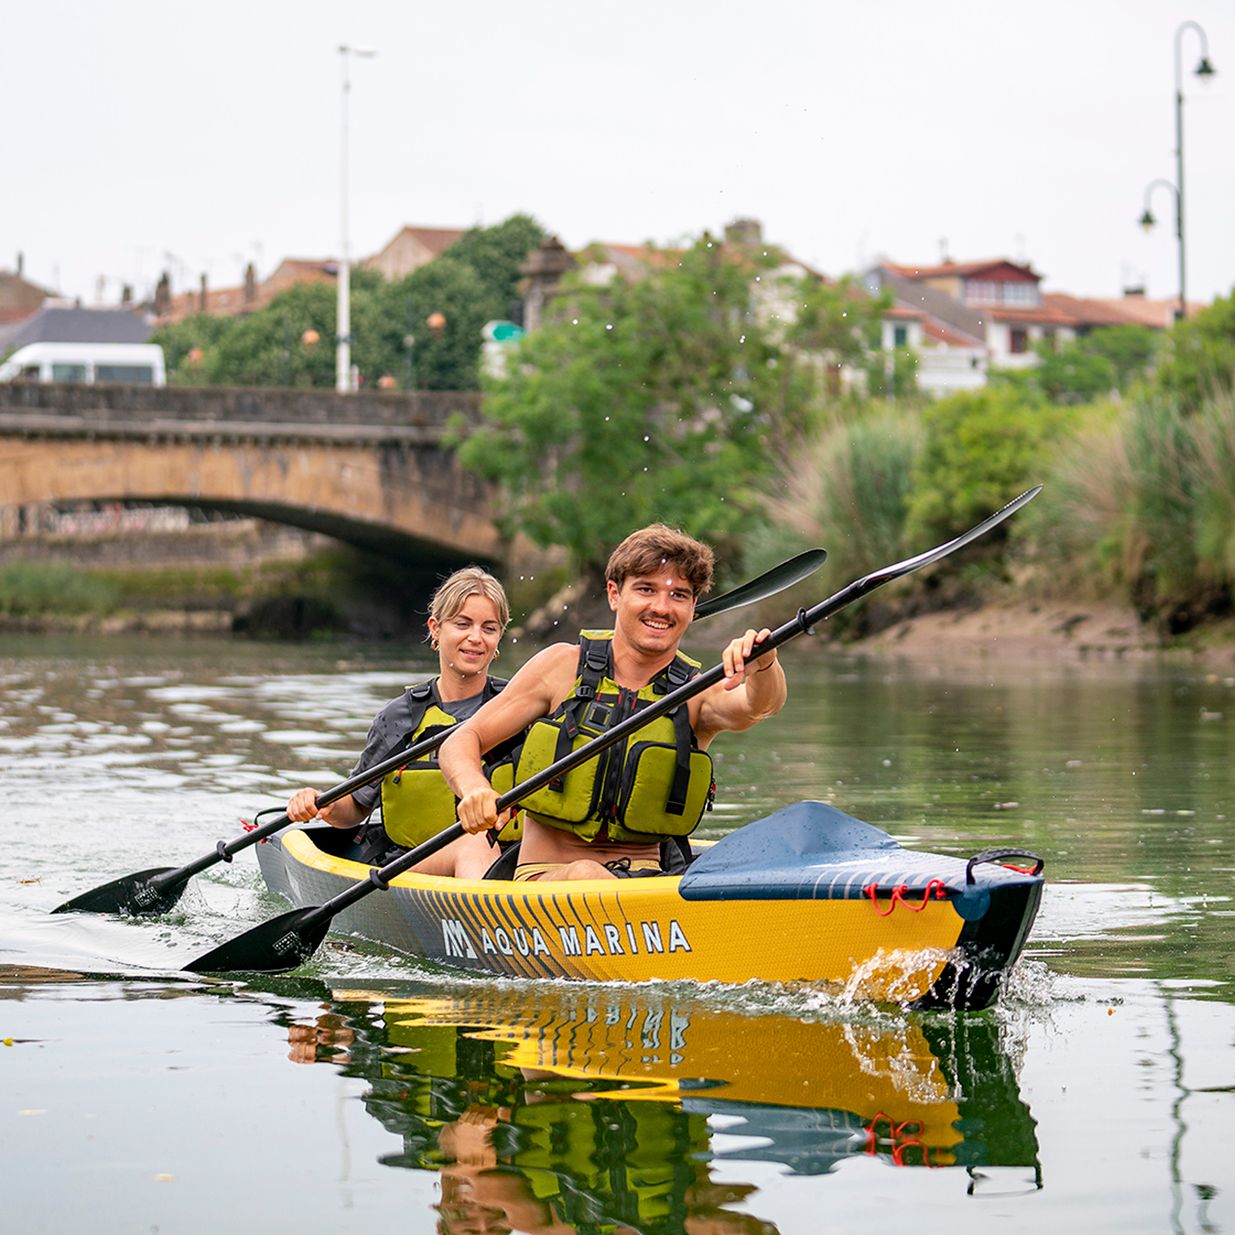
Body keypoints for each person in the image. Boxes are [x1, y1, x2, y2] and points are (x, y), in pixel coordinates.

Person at [439, 525, 787, 881]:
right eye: (646, 590)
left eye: (679, 595)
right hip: (546, 880)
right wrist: (474, 788)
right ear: (614, 594)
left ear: (693, 606)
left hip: (645, 885)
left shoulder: (696, 693)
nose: (661, 608)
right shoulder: (560, 667)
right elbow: (461, 741)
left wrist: (763, 662)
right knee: (586, 874)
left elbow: (759, 705)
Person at [285, 566, 515, 881]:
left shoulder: (518, 706)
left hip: (508, 866)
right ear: (436, 628)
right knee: (475, 842)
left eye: (489, 628)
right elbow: (354, 807)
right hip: (413, 867)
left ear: (500, 635)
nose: (476, 638)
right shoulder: (399, 718)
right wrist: (319, 803)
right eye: (463, 624)